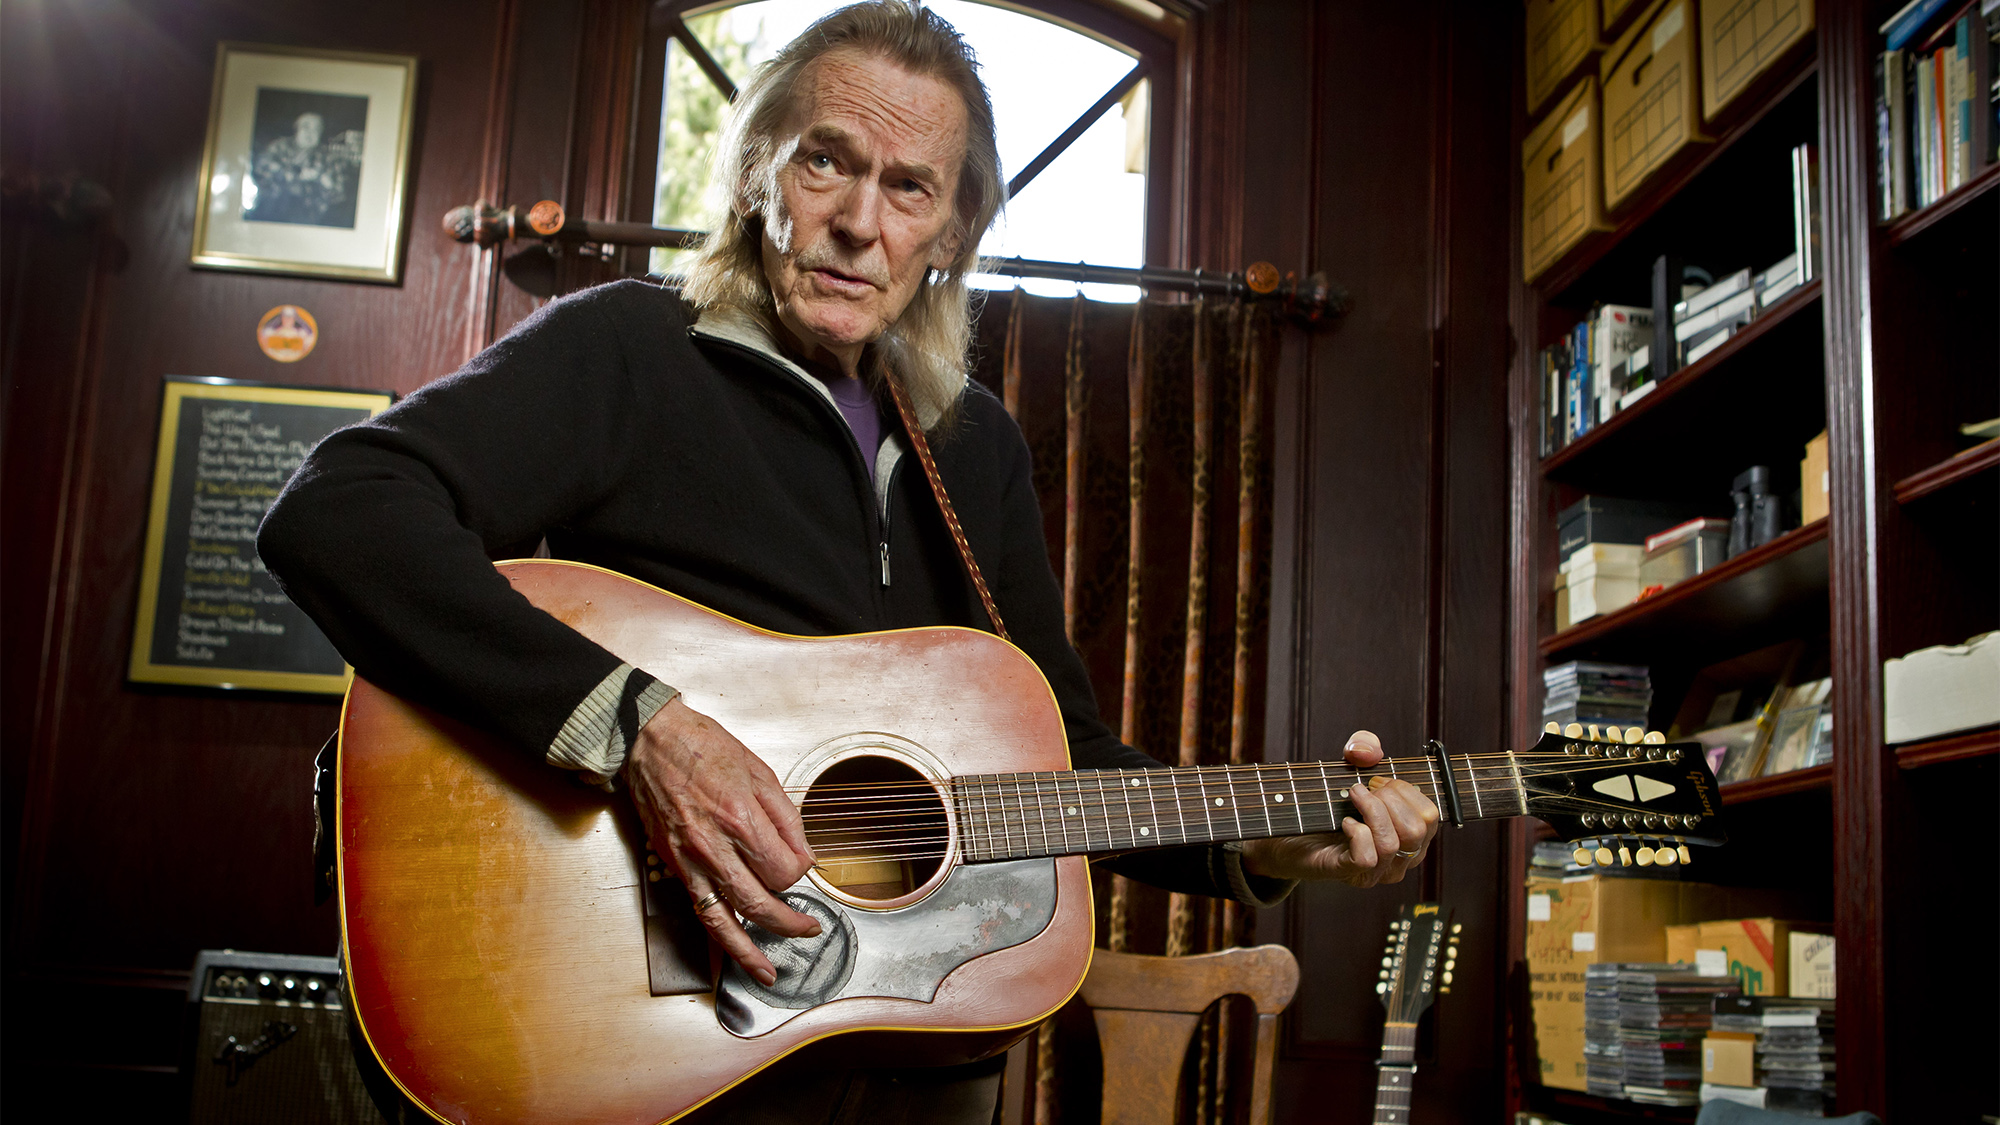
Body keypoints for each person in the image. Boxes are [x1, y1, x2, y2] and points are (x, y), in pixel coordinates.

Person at [258, 3, 1440, 1121]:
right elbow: (338, 510)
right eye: (826, 162)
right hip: (641, 1039)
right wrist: (643, 733)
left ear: (951, 230)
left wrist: (1269, 843)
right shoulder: (627, 348)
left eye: (909, 186)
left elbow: (1065, 764)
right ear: (758, 174)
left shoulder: (971, 447)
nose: (860, 223)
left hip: (912, 1068)